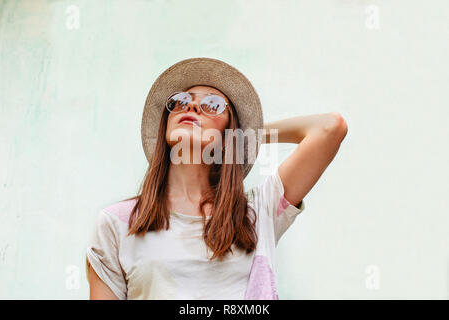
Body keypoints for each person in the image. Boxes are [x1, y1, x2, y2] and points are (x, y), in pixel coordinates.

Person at [85, 57, 348, 300]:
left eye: (213, 105)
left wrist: (245, 134)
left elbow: (329, 128)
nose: (192, 106)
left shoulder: (259, 213)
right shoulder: (116, 224)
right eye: (179, 101)